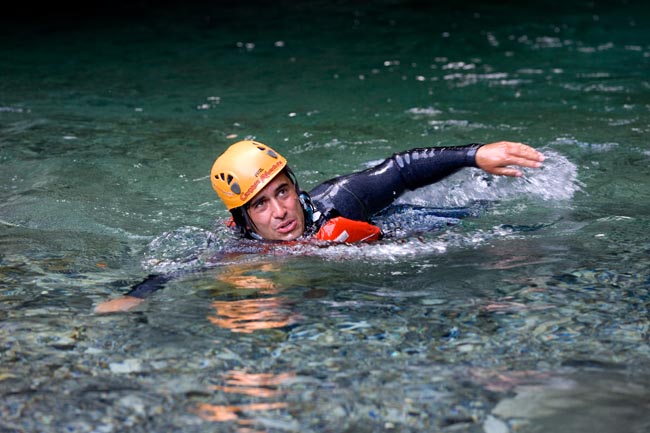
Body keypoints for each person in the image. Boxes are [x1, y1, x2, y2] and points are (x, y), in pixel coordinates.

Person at [94, 139, 544, 313]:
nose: (281, 212)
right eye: (261, 205)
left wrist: (475, 154)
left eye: (283, 192)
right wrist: (134, 297)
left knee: (475, 218)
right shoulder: (238, 246)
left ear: (295, 185)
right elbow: (181, 267)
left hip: (400, 224)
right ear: (242, 220)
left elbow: (400, 170)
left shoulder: (339, 201)